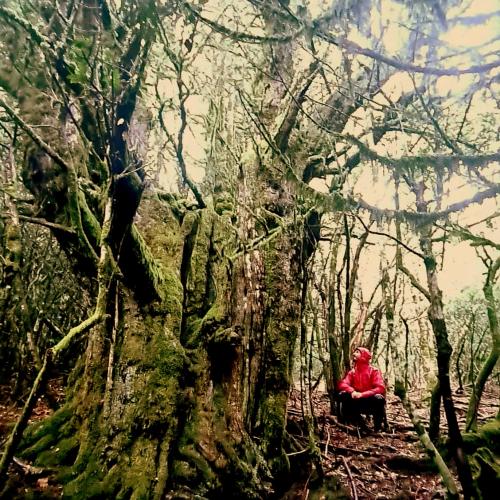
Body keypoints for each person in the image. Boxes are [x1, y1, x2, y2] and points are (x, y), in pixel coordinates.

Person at [337, 347, 386, 431]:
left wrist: (362, 394)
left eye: (357, 352)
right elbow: (342, 384)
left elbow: (380, 388)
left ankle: (378, 428)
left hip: (369, 402)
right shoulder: (352, 372)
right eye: (354, 352)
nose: (354, 354)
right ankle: (354, 424)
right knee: (342, 395)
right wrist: (352, 391)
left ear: (364, 355)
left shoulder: (374, 371)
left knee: (379, 398)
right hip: (356, 401)